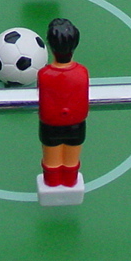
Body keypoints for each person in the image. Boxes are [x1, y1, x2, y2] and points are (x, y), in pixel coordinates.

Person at [38, 18, 88, 189]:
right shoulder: (82, 72)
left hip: (50, 126)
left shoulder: (44, 74)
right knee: (71, 159)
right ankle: (70, 182)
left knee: (51, 161)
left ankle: (51, 183)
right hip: (76, 126)